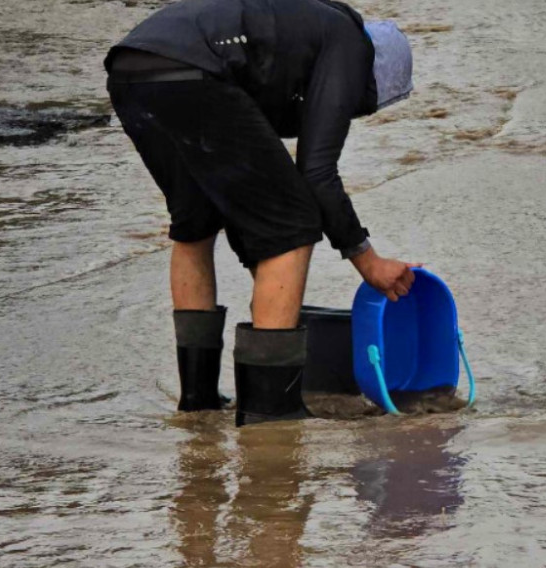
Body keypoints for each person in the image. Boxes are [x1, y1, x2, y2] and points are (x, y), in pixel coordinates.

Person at [105, 0, 419, 425]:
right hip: (195, 70)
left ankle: (198, 403)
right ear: (372, 79)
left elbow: (245, 190)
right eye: (361, 104)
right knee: (294, 227)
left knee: (196, 221)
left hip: (132, 69)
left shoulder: (298, 41)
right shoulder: (350, 46)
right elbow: (318, 172)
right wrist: (368, 261)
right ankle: (270, 414)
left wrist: (265, 262)